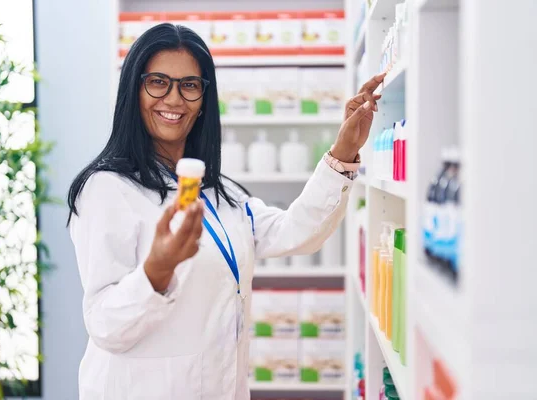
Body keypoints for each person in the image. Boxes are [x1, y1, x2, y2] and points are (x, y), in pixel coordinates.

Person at [67, 23, 384, 400]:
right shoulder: (107, 189)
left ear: (203, 100)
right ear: (134, 91)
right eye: (157, 82)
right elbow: (105, 324)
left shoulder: (221, 194)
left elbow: (298, 231)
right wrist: (157, 271)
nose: (173, 99)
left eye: (189, 85)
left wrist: (344, 150)